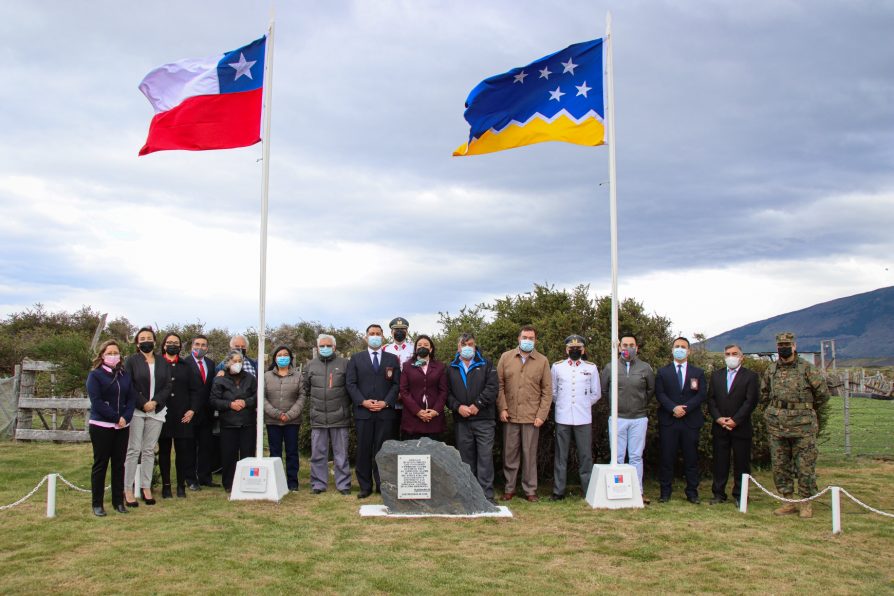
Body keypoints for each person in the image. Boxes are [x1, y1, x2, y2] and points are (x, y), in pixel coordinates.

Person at [760, 331, 830, 519]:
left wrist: (804, 409)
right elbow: (764, 394)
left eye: (787, 344)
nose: (783, 348)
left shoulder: (807, 369)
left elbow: (823, 395)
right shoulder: (772, 370)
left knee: (805, 466)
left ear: (794, 346)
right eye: (780, 345)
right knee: (780, 465)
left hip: (803, 426)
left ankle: (806, 502)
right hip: (777, 425)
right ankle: (788, 501)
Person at [497, 325, 552, 502]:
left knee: (529, 455)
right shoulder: (506, 358)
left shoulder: (542, 361)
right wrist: (502, 408)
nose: (527, 341)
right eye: (525, 337)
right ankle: (509, 488)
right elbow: (499, 386)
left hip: (532, 417)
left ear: (535, 340)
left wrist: (541, 415)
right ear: (518, 339)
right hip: (510, 415)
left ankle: (530, 490)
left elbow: (547, 391)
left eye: (531, 338)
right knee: (510, 454)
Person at [346, 324, 400, 498]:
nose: (375, 336)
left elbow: (396, 385)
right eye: (371, 334)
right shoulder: (356, 359)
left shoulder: (392, 359)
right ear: (366, 337)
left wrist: (386, 403)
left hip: (385, 413)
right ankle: (365, 486)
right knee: (363, 449)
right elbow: (351, 384)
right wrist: (363, 401)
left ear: (383, 337)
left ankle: (382, 484)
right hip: (364, 412)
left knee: (382, 450)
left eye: (378, 334)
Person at [601, 334, 655, 503]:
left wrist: (639, 405)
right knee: (616, 457)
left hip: (638, 418)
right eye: (625, 345)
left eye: (631, 345)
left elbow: (650, 390)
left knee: (636, 456)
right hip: (618, 418)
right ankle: (617, 492)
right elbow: (605, 391)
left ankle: (637, 491)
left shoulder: (645, 368)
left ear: (636, 348)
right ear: (619, 347)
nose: (628, 348)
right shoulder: (611, 367)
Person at [86, 340, 137, 516]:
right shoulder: (96, 375)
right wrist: (116, 417)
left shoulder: (124, 374)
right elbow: (97, 401)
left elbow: (131, 398)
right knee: (101, 464)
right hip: (102, 425)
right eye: (110, 352)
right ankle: (97, 504)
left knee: (118, 464)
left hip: (122, 426)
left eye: (116, 352)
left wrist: (125, 417)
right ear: (102, 355)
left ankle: (118, 502)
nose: (113, 355)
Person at [446, 332, 499, 503]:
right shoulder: (451, 367)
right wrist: (458, 407)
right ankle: (468, 494)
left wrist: (477, 405)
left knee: (485, 457)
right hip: (462, 420)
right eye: (464, 344)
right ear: (458, 347)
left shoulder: (486, 364)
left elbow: (492, 388)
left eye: (470, 344)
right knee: (466, 459)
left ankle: (486, 496)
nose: (467, 347)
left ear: (475, 346)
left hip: (484, 419)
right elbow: (446, 394)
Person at [123, 326, 171, 506]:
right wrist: (143, 402)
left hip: (156, 411)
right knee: (134, 449)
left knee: (149, 450)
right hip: (137, 409)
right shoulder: (131, 361)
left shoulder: (162, 362)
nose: (146, 341)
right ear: (137, 342)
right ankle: (127, 489)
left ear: (155, 341)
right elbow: (129, 384)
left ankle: (146, 487)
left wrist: (155, 402)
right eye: (142, 338)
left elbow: (167, 385)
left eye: (149, 338)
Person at [655, 337, 707, 504]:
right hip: (669, 421)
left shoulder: (697, 373)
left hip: (690, 421)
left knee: (691, 458)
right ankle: (665, 492)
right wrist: (673, 408)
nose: (680, 349)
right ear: (672, 350)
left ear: (689, 351)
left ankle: (692, 492)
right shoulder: (663, 372)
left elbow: (701, 394)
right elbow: (660, 394)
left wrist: (685, 408)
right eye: (677, 346)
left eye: (683, 347)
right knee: (667, 457)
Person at [707, 344, 759, 506]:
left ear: (741, 357)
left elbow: (750, 401)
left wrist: (735, 420)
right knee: (720, 462)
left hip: (741, 427)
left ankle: (740, 495)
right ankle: (718, 493)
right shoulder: (716, 376)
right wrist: (718, 418)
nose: (731, 356)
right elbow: (711, 400)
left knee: (741, 462)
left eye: (734, 353)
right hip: (720, 426)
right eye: (728, 354)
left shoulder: (750, 376)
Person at [550, 335, 601, 501]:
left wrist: (584, 404)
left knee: (586, 456)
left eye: (578, 348)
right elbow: (553, 392)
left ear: (583, 350)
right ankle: (558, 491)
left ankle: (588, 490)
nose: (574, 350)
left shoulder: (591, 368)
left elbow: (596, 393)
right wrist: (564, 404)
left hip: (583, 417)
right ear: (566, 350)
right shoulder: (557, 367)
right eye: (571, 348)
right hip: (563, 416)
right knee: (561, 456)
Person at [303, 334, 353, 495]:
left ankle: (343, 485)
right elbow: (306, 389)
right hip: (318, 417)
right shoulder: (310, 365)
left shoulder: (345, 364)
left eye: (328, 345)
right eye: (322, 346)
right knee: (318, 454)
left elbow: (350, 388)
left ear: (334, 347)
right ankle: (318, 484)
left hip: (340, 417)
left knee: (341, 454)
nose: (325, 348)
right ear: (317, 348)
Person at [157, 332, 201, 498]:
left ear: (180, 346)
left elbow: (196, 391)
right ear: (164, 345)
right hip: (162, 414)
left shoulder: (186, 366)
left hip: (183, 415)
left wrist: (192, 410)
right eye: (169, 342)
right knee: (164, 451)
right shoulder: (158, 363)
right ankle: (166, 486)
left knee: (183, 452)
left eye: (176, 342)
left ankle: (181, 485)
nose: (172, 345)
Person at [210, 349, 258, 492]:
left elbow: (257, 396)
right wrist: (230, 404)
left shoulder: (250, 378)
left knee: (247, 454)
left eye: (240, 361)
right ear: (228, 362)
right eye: (234, 361)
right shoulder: (220, 379)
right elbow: (213, 400)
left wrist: (246, 402)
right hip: (228, 423)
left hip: (247, 422)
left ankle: (248, 483)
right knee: (228, 455)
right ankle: (229, 484)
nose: (237, 363)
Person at [264, 345, 305, 491]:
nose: (283, 357)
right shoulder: (266, 376)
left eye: (285, 355)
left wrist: (289, 415)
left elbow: (301, 397)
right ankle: (277, 482)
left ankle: (293, 483)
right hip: (272, 421)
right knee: (275, 452)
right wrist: (276, 414)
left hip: (292, 421)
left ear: (290, 358)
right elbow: (262, 398)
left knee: (292, 452)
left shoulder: (298, 376)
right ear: (275, 358)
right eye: (279, 355)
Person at [184, 334, 220, 488]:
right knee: (190, 448)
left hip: (207, 412)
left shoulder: (211, 364)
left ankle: (205, 477)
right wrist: (190, 408)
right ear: (192, 346)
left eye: (204, 345)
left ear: (207, 347)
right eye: (197, 344)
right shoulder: (185, 363)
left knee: (206, 446)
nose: (200, 347)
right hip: (190, 411)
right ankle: (191, 479)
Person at [399, 335, 448, 440]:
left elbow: (443, 391)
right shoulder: (407, 366)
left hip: (434, 419)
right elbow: (404, 391)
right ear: (415, 349)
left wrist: (435, 411)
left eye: (426, 345)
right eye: (419, 345)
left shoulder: (440, 367)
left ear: (431, 349)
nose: (422, 347)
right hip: (412, 419)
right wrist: (418, 411)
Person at [383, 316, 413, 438]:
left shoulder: (414, 348)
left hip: (410, 397)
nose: (399, 332)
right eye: (396, 329)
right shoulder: (385, 349)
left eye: (402, 329)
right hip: (390, 398)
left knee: (409, 432)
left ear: (407, 331)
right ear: (391, 332)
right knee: (390, 432)